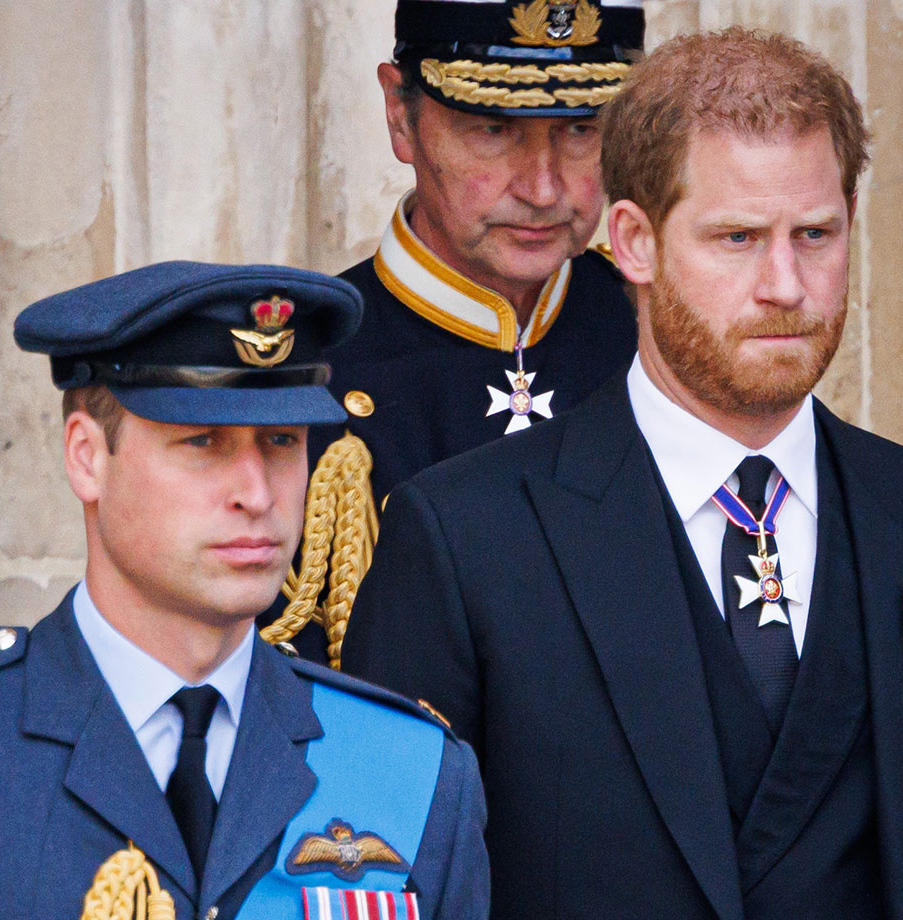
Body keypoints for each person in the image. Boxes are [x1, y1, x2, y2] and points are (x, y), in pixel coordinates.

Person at [343, 28, 903, 920]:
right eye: (738, 237)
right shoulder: (463, 542)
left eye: (816, 234)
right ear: (634, 241)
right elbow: (400, 876)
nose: (786, 284)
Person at [0, 261, 489, 920]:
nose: (255, 492)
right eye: (202, 442)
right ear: (87, 458)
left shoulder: (412, 769)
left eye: (282, 442)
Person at [261, 0, 645, 664]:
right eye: (494, 128)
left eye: (581, 128)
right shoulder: (295, 372)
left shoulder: (663, 335)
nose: (543, 186)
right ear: (399, 116)